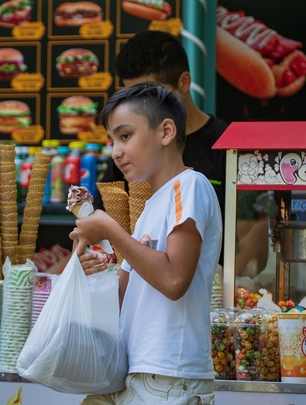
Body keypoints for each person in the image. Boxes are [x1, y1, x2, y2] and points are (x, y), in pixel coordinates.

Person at [71, 82, 222, 404]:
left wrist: (111, 230)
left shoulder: (189, 185)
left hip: (169, 375)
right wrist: (91, 266)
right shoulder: (152, 204)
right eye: (112, 140)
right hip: (132, 369)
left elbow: (173, 280)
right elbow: (124, 295)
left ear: (166, 131)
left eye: (125, 136)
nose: (116, 151)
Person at [89, 29, 227, 267]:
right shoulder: (128, 161)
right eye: (129, 95)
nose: (136, 106)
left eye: (147, 94)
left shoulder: (221, 152)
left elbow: (174, 279)